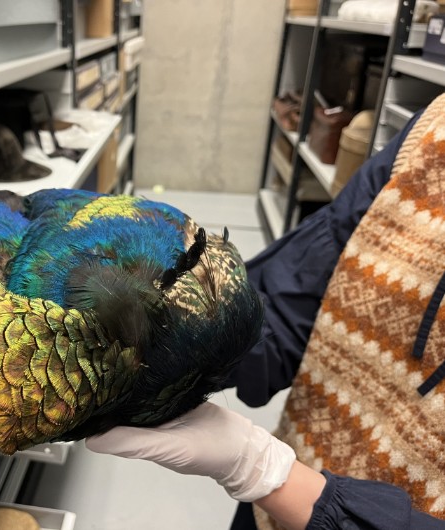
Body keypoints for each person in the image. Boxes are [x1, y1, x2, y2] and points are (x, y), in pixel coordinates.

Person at [87, 93, 445, 529]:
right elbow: (316, 272)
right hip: (285, 488)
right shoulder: (434, 126)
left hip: (298, 492)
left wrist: (267, 472)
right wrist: (193, 339)